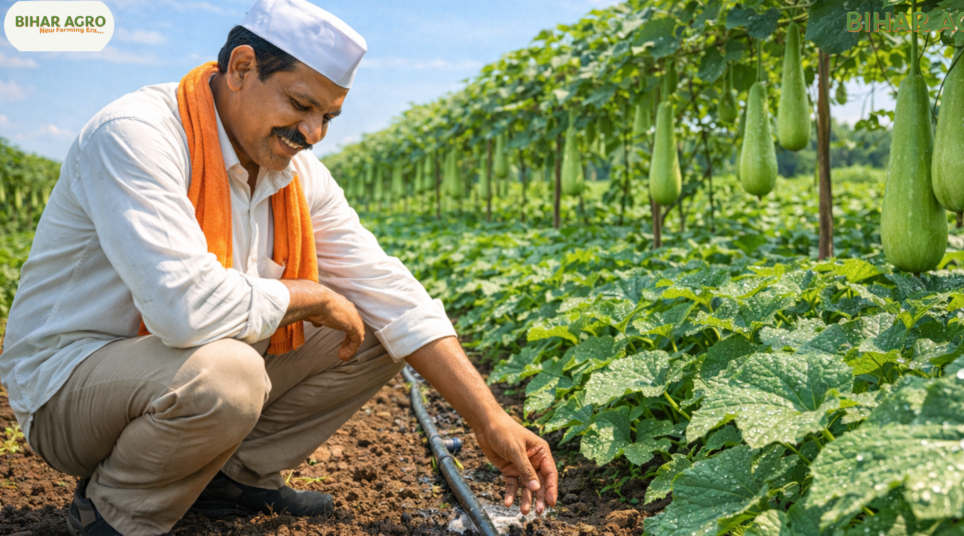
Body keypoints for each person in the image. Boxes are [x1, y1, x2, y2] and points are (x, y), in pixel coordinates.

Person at [0, 0, 557, 534]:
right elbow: (183, 310)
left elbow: (392, 294)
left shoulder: (294, 173)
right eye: (300, 104)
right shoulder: (135, 134)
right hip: (70, 389)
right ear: (242, 68)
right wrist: (308, 296)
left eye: (327, 117)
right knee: (228, 374)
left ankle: (228, 479)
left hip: (177, 371)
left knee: (379, 326)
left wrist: (490, 420)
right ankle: (116, 514)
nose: (312, 134)